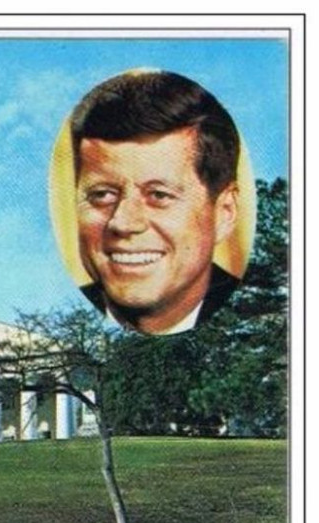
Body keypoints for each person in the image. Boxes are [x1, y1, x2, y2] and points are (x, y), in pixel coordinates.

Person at [66, 70, 244, 335]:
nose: (123, 223)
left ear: (224, 213)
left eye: (159, 195)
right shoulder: (78, 324)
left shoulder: (251, 314)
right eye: (102, 194)